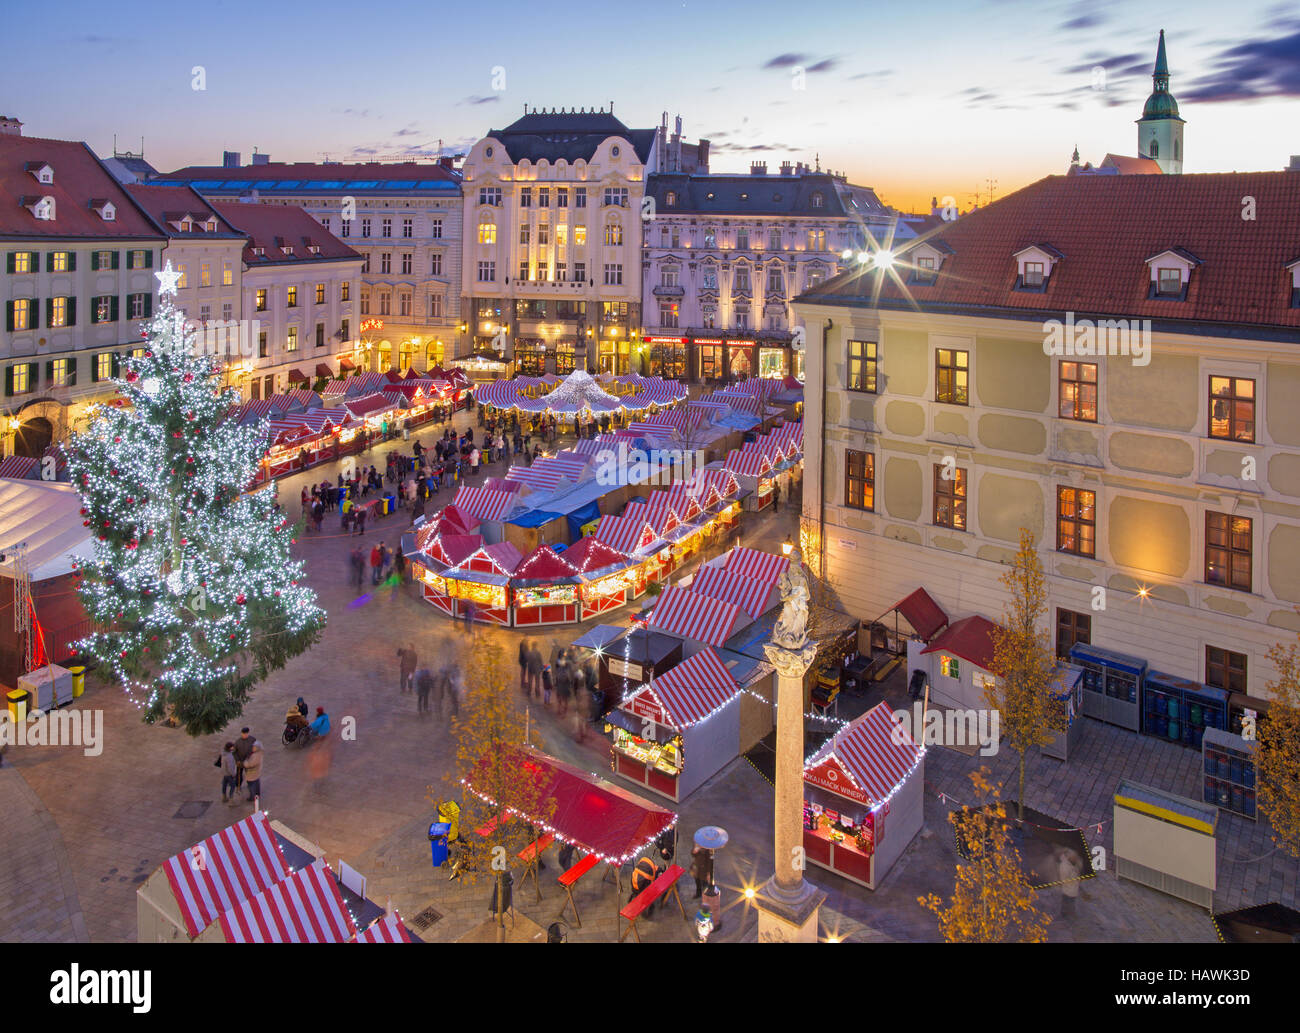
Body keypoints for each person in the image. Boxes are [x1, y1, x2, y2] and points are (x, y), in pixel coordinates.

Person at [242, 737, 264, 803]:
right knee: (257, 782)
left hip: (252, 773)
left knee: (251, 785)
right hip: (256, 773)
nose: (252, 748)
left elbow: (250, 764)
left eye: (254, 747)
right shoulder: (259, 753)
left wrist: (245, 762)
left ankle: (252, 796)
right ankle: (257, 793)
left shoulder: (256, 756)